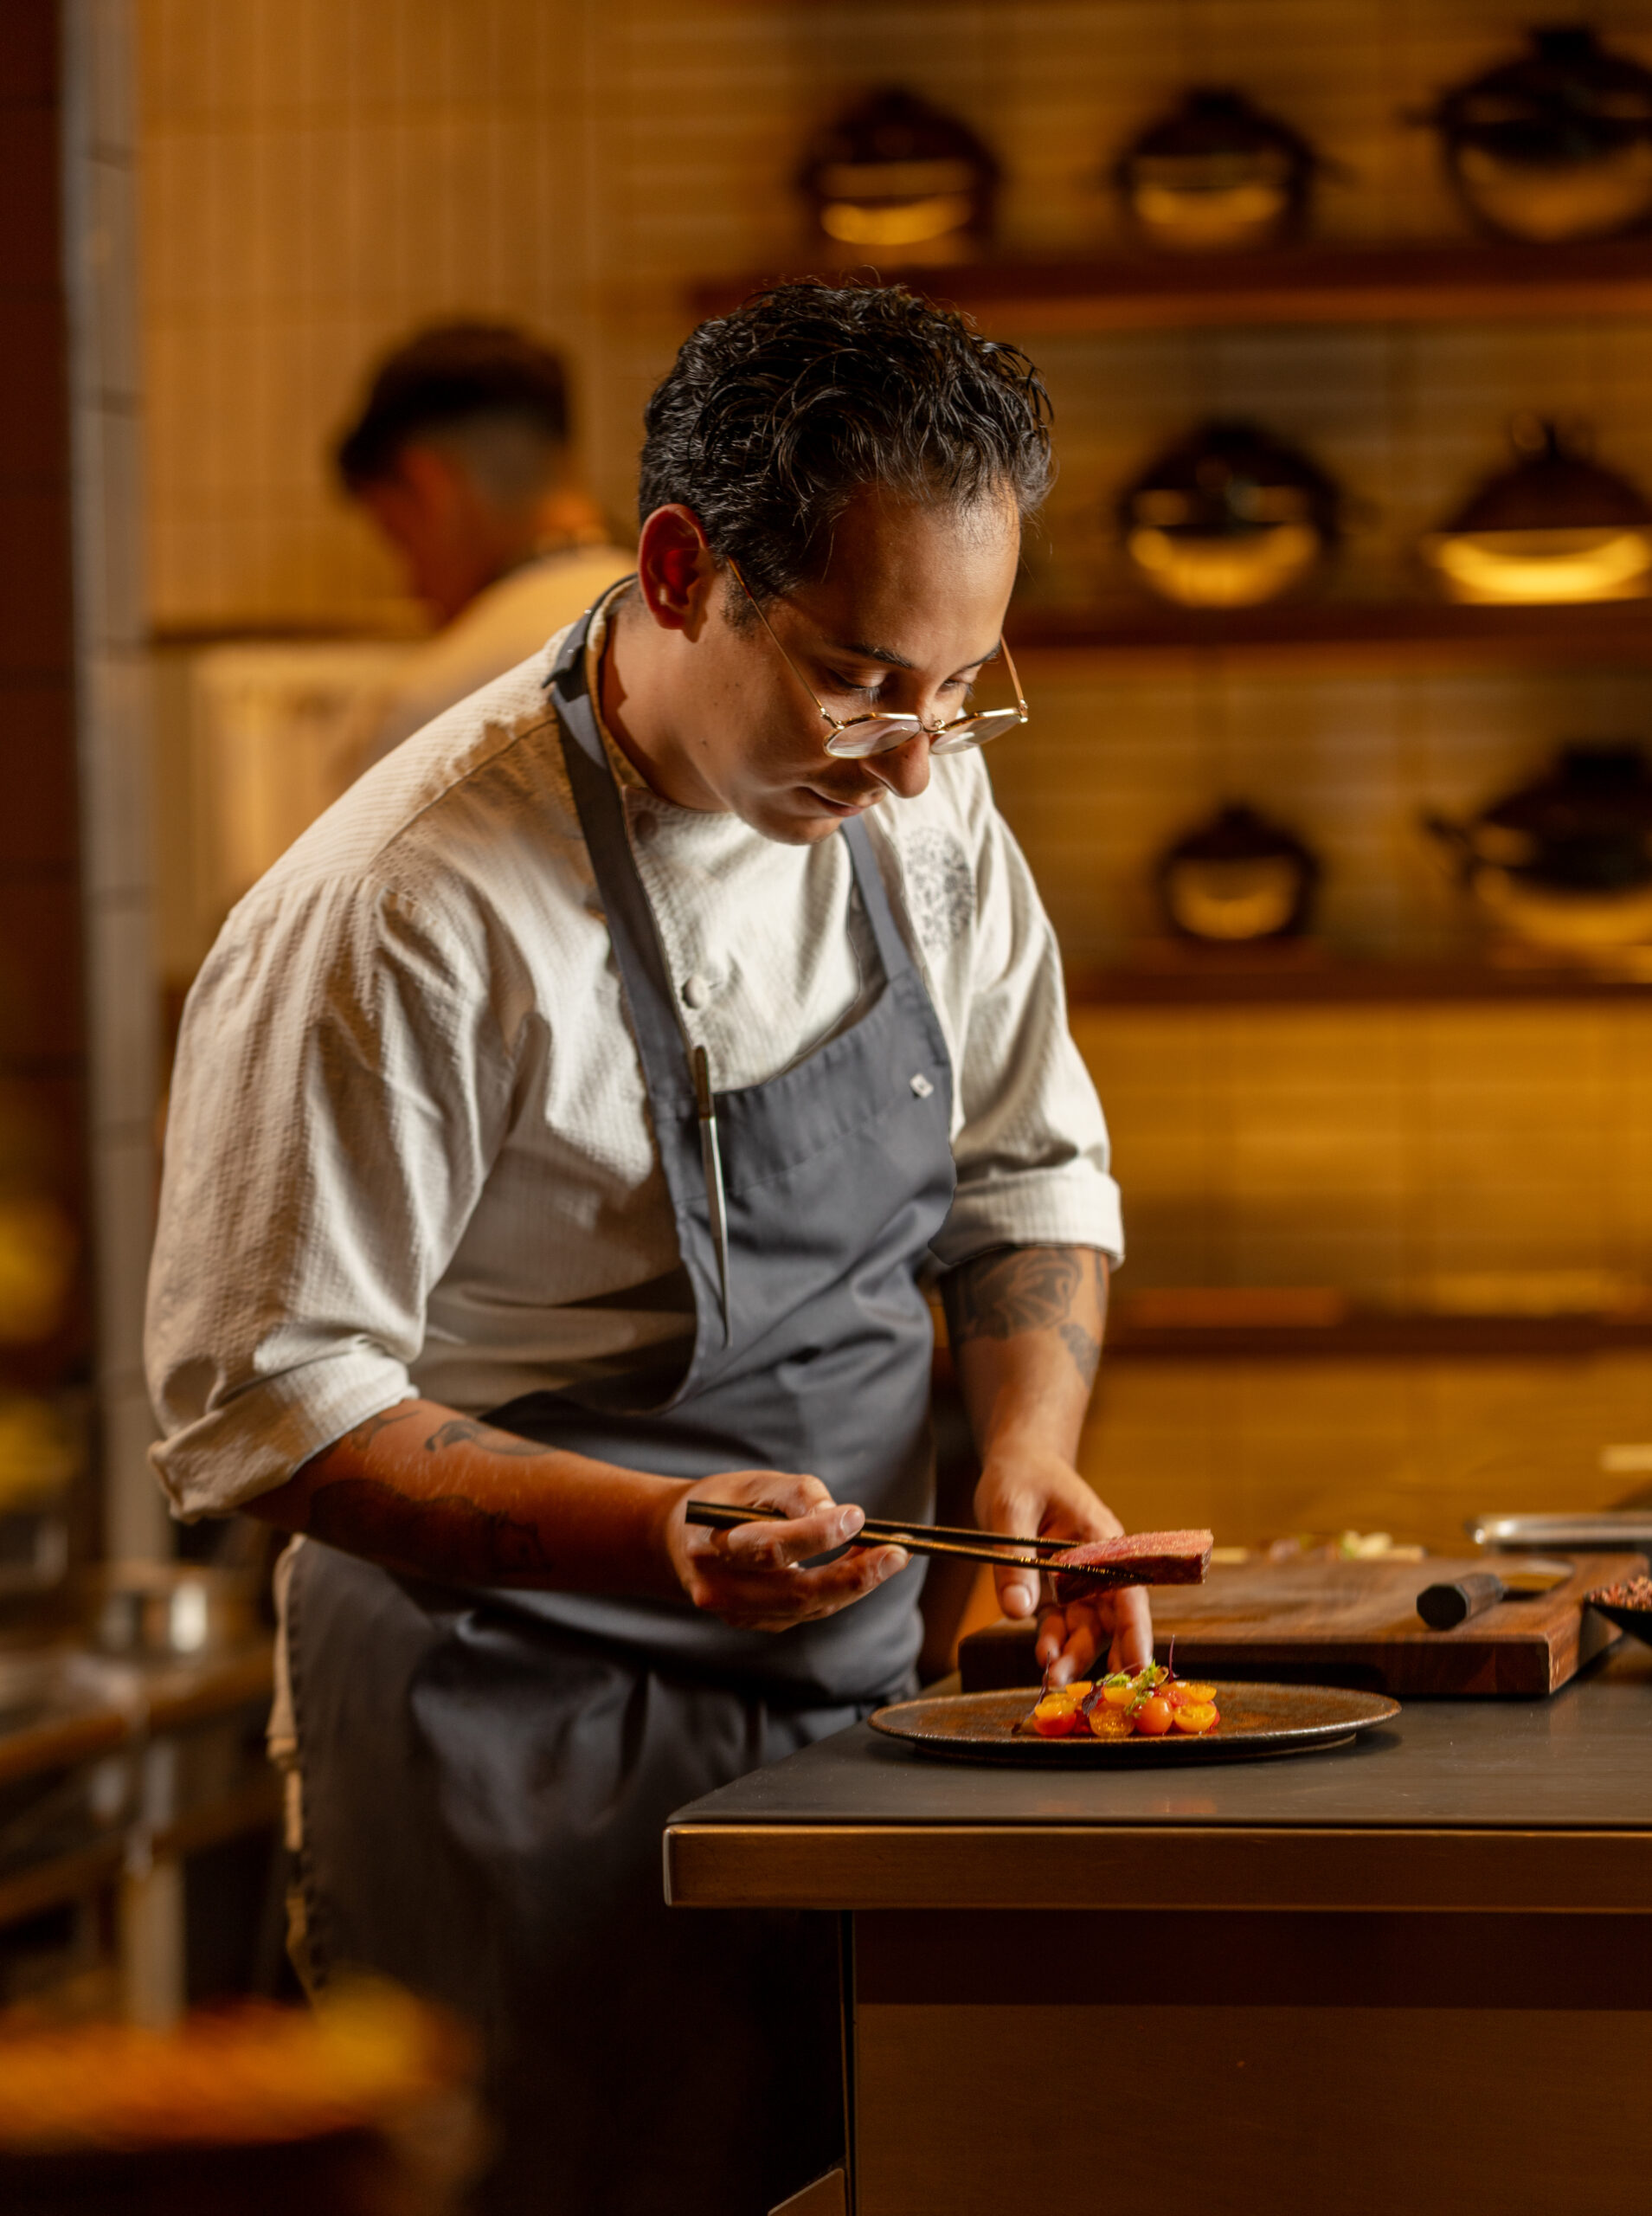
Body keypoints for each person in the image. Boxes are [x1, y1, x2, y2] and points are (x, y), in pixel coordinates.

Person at [145, 282, 1151, 2216]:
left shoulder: (920, 806)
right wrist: (655, 1534)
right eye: (863, 682)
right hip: (498, 1730)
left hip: (849, 1700)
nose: (917, 758)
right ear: (680, 571)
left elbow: (1025, 1167)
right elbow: (260, 1402)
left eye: (963, 688)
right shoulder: (403, 910)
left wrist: (1025, 1453)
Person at [336, 319, 633, 763]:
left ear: (429, 489)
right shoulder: (687, 631)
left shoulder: (432, 713)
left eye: (399, 539)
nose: (414, 589)